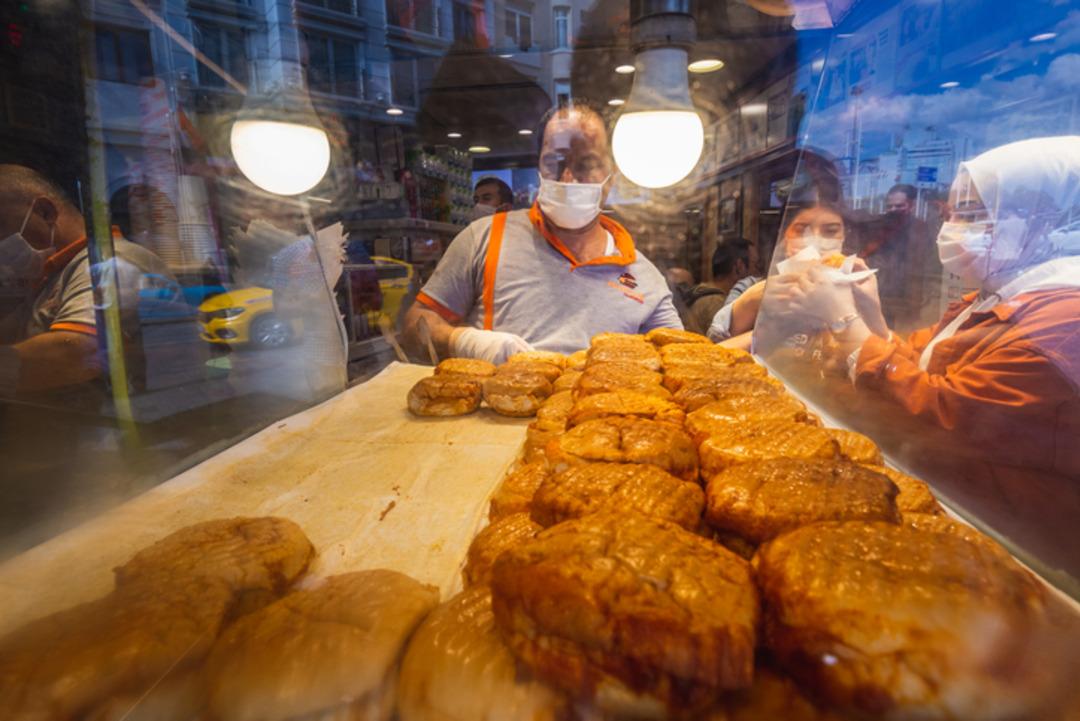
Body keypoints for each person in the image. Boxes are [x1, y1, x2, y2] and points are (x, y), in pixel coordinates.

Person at [771, 137, 1080, 573]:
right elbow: (922, 361)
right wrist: (870, 315)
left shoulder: (1066, 321)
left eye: (972, 215)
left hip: (1016, 549)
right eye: (951, 214)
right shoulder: (993, 297)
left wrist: (844, 321)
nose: (950, 228)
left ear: (1043, 222)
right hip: (957, 507)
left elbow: (944, 417)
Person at [403, 103, 682, 363]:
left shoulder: (643, 277)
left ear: (613, 174)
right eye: (555, 162)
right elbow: (416, 324)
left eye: (586, 165)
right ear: (538, 166)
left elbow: (679, 360)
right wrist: (463, 341)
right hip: (497, 407)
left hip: (602, 412)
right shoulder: (485, 239)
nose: (568, 178)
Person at [707, 204, 845, 348]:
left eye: (830, 231)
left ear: (844, 238)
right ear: (785, 238)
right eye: (801, 230)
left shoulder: (859, 289)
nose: (815, 240)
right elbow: (713, 346)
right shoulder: (749, 286)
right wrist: (753, 301)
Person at [853, 183, 940, 330]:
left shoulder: (921, 229)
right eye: (890, 206)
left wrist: (925, 293)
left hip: (908, 294)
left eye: (899, 206)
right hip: (881, 290)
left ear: (911, 205)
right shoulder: (879, 226)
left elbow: (928, 265)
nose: (893, 210)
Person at [684, 238, 761, 336]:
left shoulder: (702, 293)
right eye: (755, 265)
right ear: (739, 266)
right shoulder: (717, 304)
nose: (757, 272)